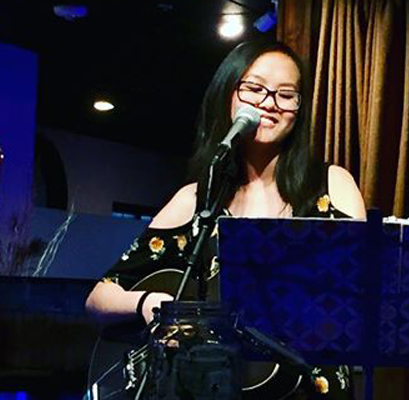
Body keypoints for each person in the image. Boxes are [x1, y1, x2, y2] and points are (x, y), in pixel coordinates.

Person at [85, 39, 366, 399]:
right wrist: (148, 303)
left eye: (285, 94)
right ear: (228, 95)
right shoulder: (195, 200)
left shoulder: (331, 186)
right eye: (254, 88)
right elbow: (99, 297)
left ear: (300, 109)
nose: (268, 103)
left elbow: (365, 287)